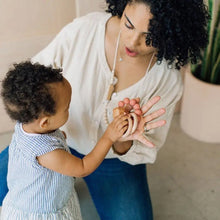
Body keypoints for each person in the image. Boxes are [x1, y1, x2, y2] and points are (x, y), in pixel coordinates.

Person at [0, 0, 209, 219]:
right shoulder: (84, 30)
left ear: (170, 33)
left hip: (113, 161)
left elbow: (136, 149)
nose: (132, 41)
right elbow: (30, 88)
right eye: (128, 25)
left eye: (150, 36)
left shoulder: (167, 79)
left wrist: (122, 138)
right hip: (59, 147)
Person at [0, 61, 130, 219]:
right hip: (44, 213)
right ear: (45, 122)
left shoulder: (26, 124)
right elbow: (83, 167)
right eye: (67, 108)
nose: (70, 108)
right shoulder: (48, 154)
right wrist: (109, 136)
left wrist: (59, 137)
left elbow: (45, 137)